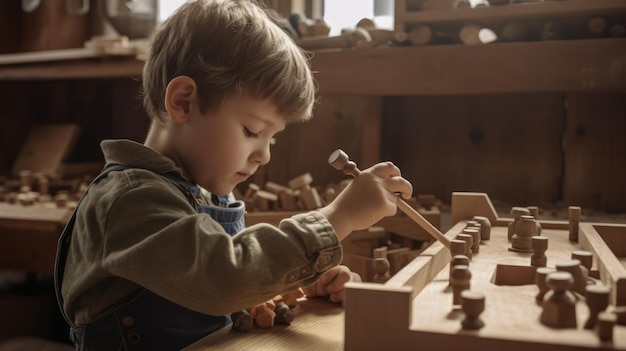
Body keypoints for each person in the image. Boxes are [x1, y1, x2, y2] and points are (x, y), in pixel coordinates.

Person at [54, 0, 413, 350]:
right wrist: (339, 217)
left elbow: (233, 284)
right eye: (252, 130)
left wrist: (293, 281)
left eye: (273, 138)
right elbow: (224, 277)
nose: (264, 155)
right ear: (183, 102)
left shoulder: (204, 192)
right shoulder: (130, 201)